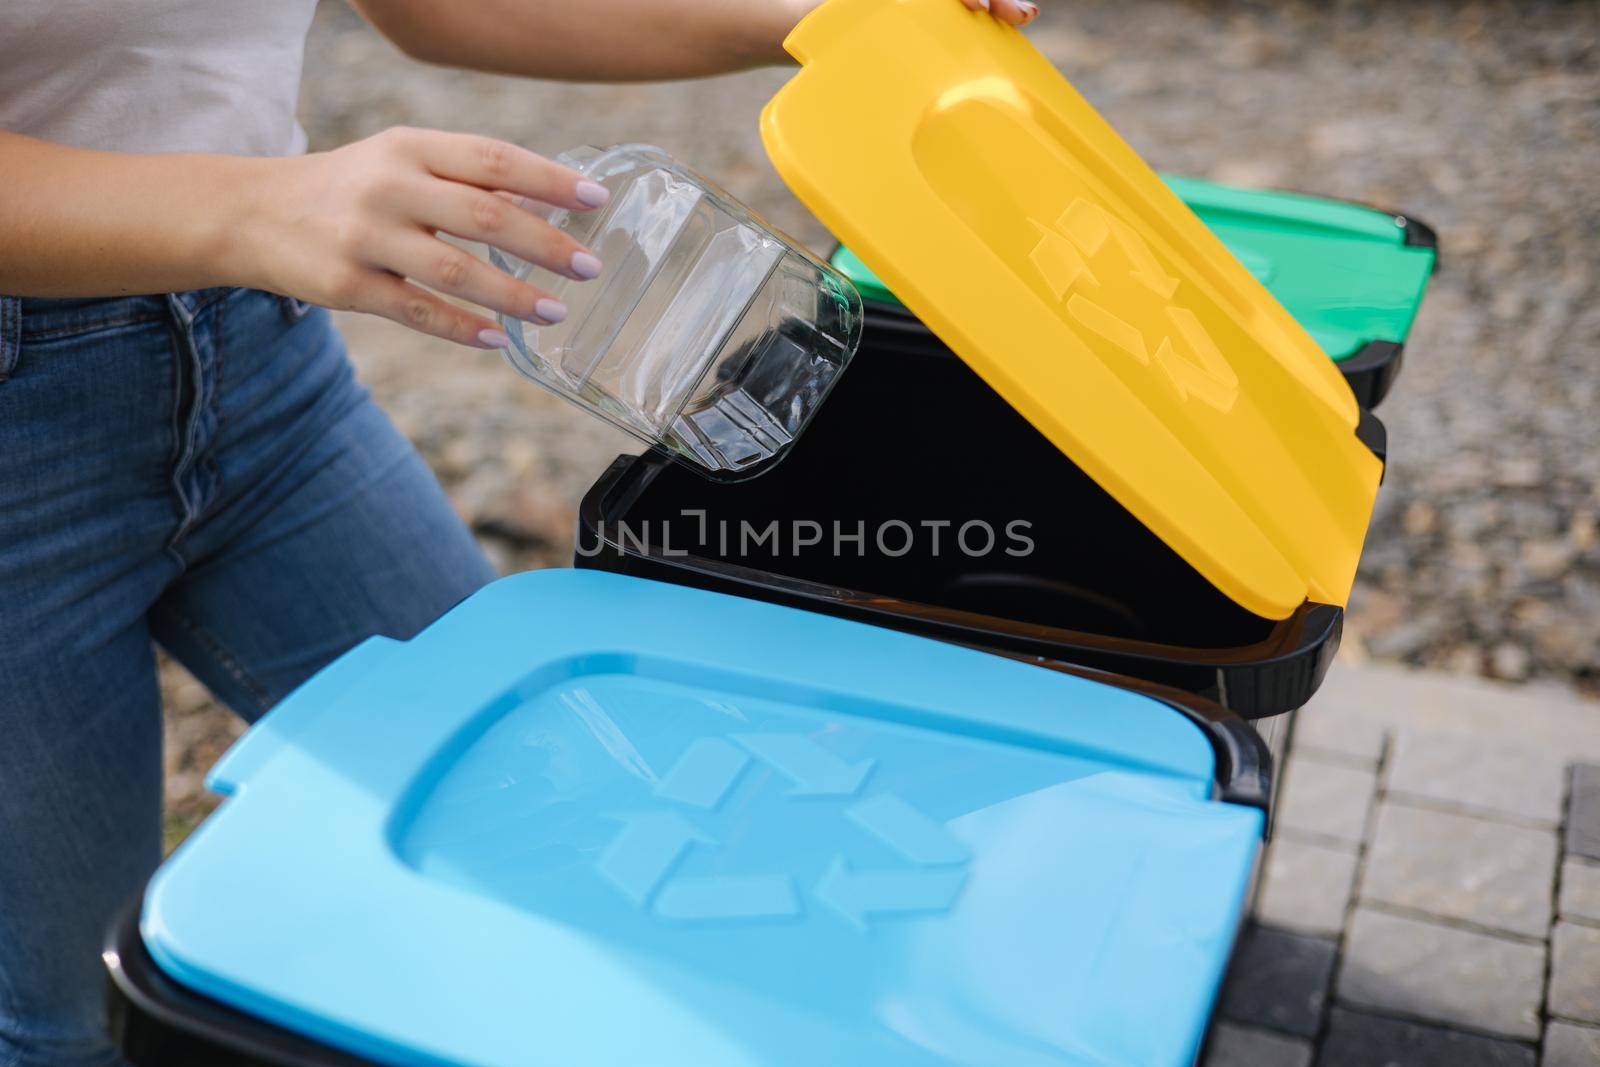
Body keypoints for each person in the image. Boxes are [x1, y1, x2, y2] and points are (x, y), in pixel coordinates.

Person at [0, 0, 1036, 1063]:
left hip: (265, 360)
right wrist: (255, 206)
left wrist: (818, 14)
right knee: (71, 1016)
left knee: (566, 807)